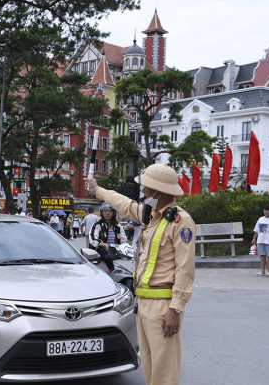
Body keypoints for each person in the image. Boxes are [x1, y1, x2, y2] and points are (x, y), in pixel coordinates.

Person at [85, 164, 196, 385]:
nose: (143, 192)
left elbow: (185, 269)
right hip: (143, 302)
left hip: (163, 305)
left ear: (159, 190)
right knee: (149, 365)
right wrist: (97, 189)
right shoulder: (151, 216)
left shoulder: (181, 222)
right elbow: (123, 203)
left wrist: (176, 309)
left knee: (164, 372)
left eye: (146, 187)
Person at [88, 202, 127, 273]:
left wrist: (128, 249)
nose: (107, 213)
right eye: (105, 210)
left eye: (110, 210)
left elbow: (124, 241)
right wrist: (102, 244)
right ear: (101, 212)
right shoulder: (97, 225)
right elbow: (92, 239)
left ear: (114, 212)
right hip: (100, 256)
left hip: (115, 256)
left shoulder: (118, 226)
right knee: (106, 272)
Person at [252, 203, 269, 277]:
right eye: (265, 210)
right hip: (260, 240)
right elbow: (257, 230)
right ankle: (262, 270)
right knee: (262, 255)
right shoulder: (260, 219)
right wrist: (254, 238)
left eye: (268, 210)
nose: (266, 211)